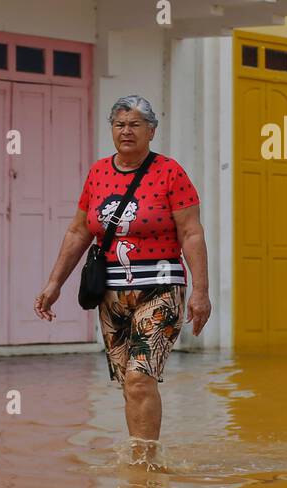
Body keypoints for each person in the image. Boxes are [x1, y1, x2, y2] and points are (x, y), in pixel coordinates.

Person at [34, 95, 210, 456]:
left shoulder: (170, 172)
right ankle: (139, 461)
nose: (126, 131)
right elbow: (79, 231)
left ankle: (146, 464)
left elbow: (191, 233)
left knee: (140, 377)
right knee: (128, 384)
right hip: (111, 295)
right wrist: (54, 283)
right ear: (112, 130)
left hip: (160, 288)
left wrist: (200, 291)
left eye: (135, 124)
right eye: (119, 124)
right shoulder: (98, 172)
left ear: (151, 131)